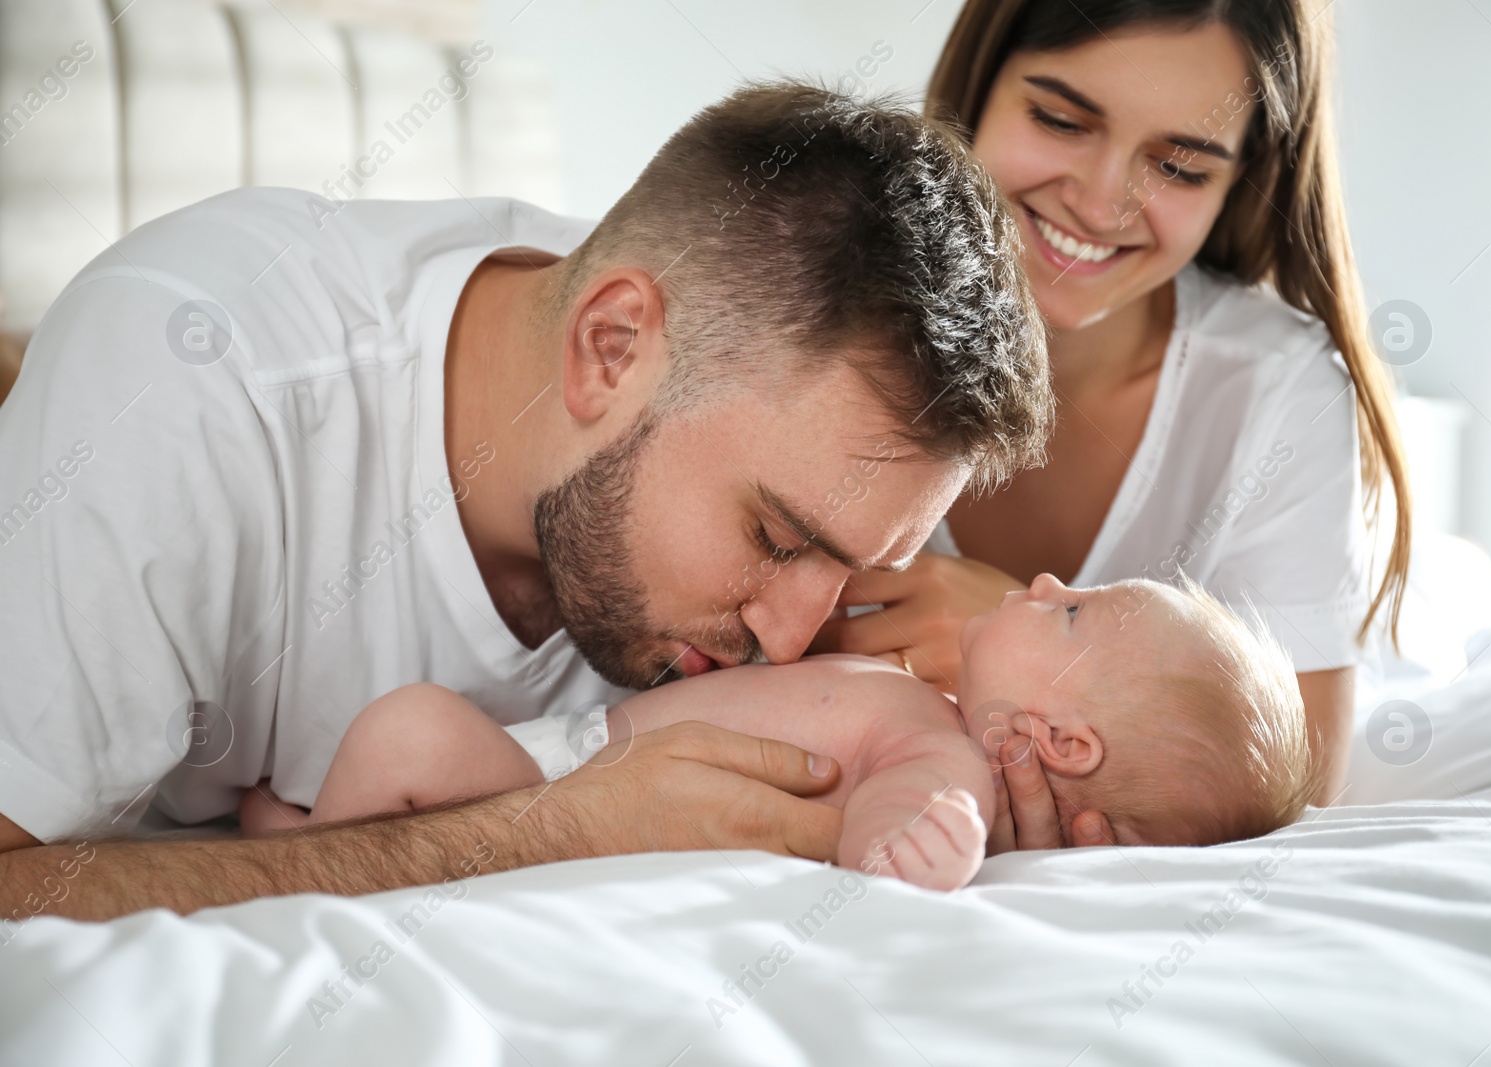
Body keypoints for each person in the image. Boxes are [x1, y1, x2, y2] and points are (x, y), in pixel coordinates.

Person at [0, 83, 1051, 921]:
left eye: (856, 567)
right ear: (610, 347)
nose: (791, 636)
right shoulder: (189, 382)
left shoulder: (801, 413)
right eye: (774, 539)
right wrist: (552, 827)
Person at [812, 0, 1412, 819]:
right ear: (977, 89)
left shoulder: (1277, 392)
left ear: (1240, 183)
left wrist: (1004, 634)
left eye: (1180, 167)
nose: (1103, 204)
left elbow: (1298, 781)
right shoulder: (819, 299)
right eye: (1062, 120)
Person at [239, 574, 1314, 892]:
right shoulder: (925, 709)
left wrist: (920, 837)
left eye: (1071, 610)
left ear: (1061, 743)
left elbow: (897, 818)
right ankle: (327, 834)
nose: (1039, 581)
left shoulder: (943, 760)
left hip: (566, 774)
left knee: (412, 729)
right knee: (416, 733)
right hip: (576, 749)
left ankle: (310, 857)